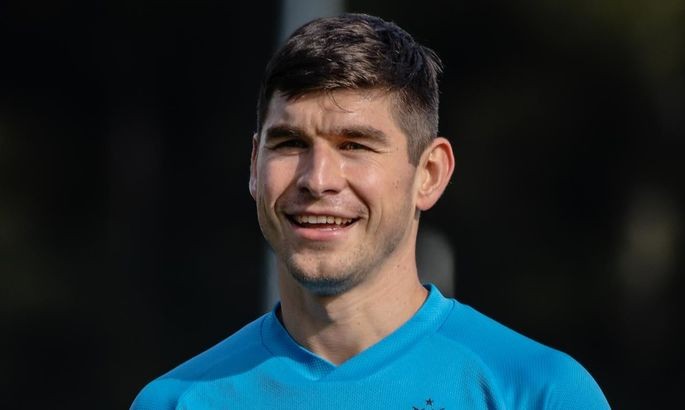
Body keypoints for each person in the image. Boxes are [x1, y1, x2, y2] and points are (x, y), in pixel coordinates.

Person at [131, 13, 609, 409]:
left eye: (354, 145)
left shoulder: (537, 393)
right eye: (290, 143)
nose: (317, 179)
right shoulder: (177, 400)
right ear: (255, 165)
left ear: (430, 173)